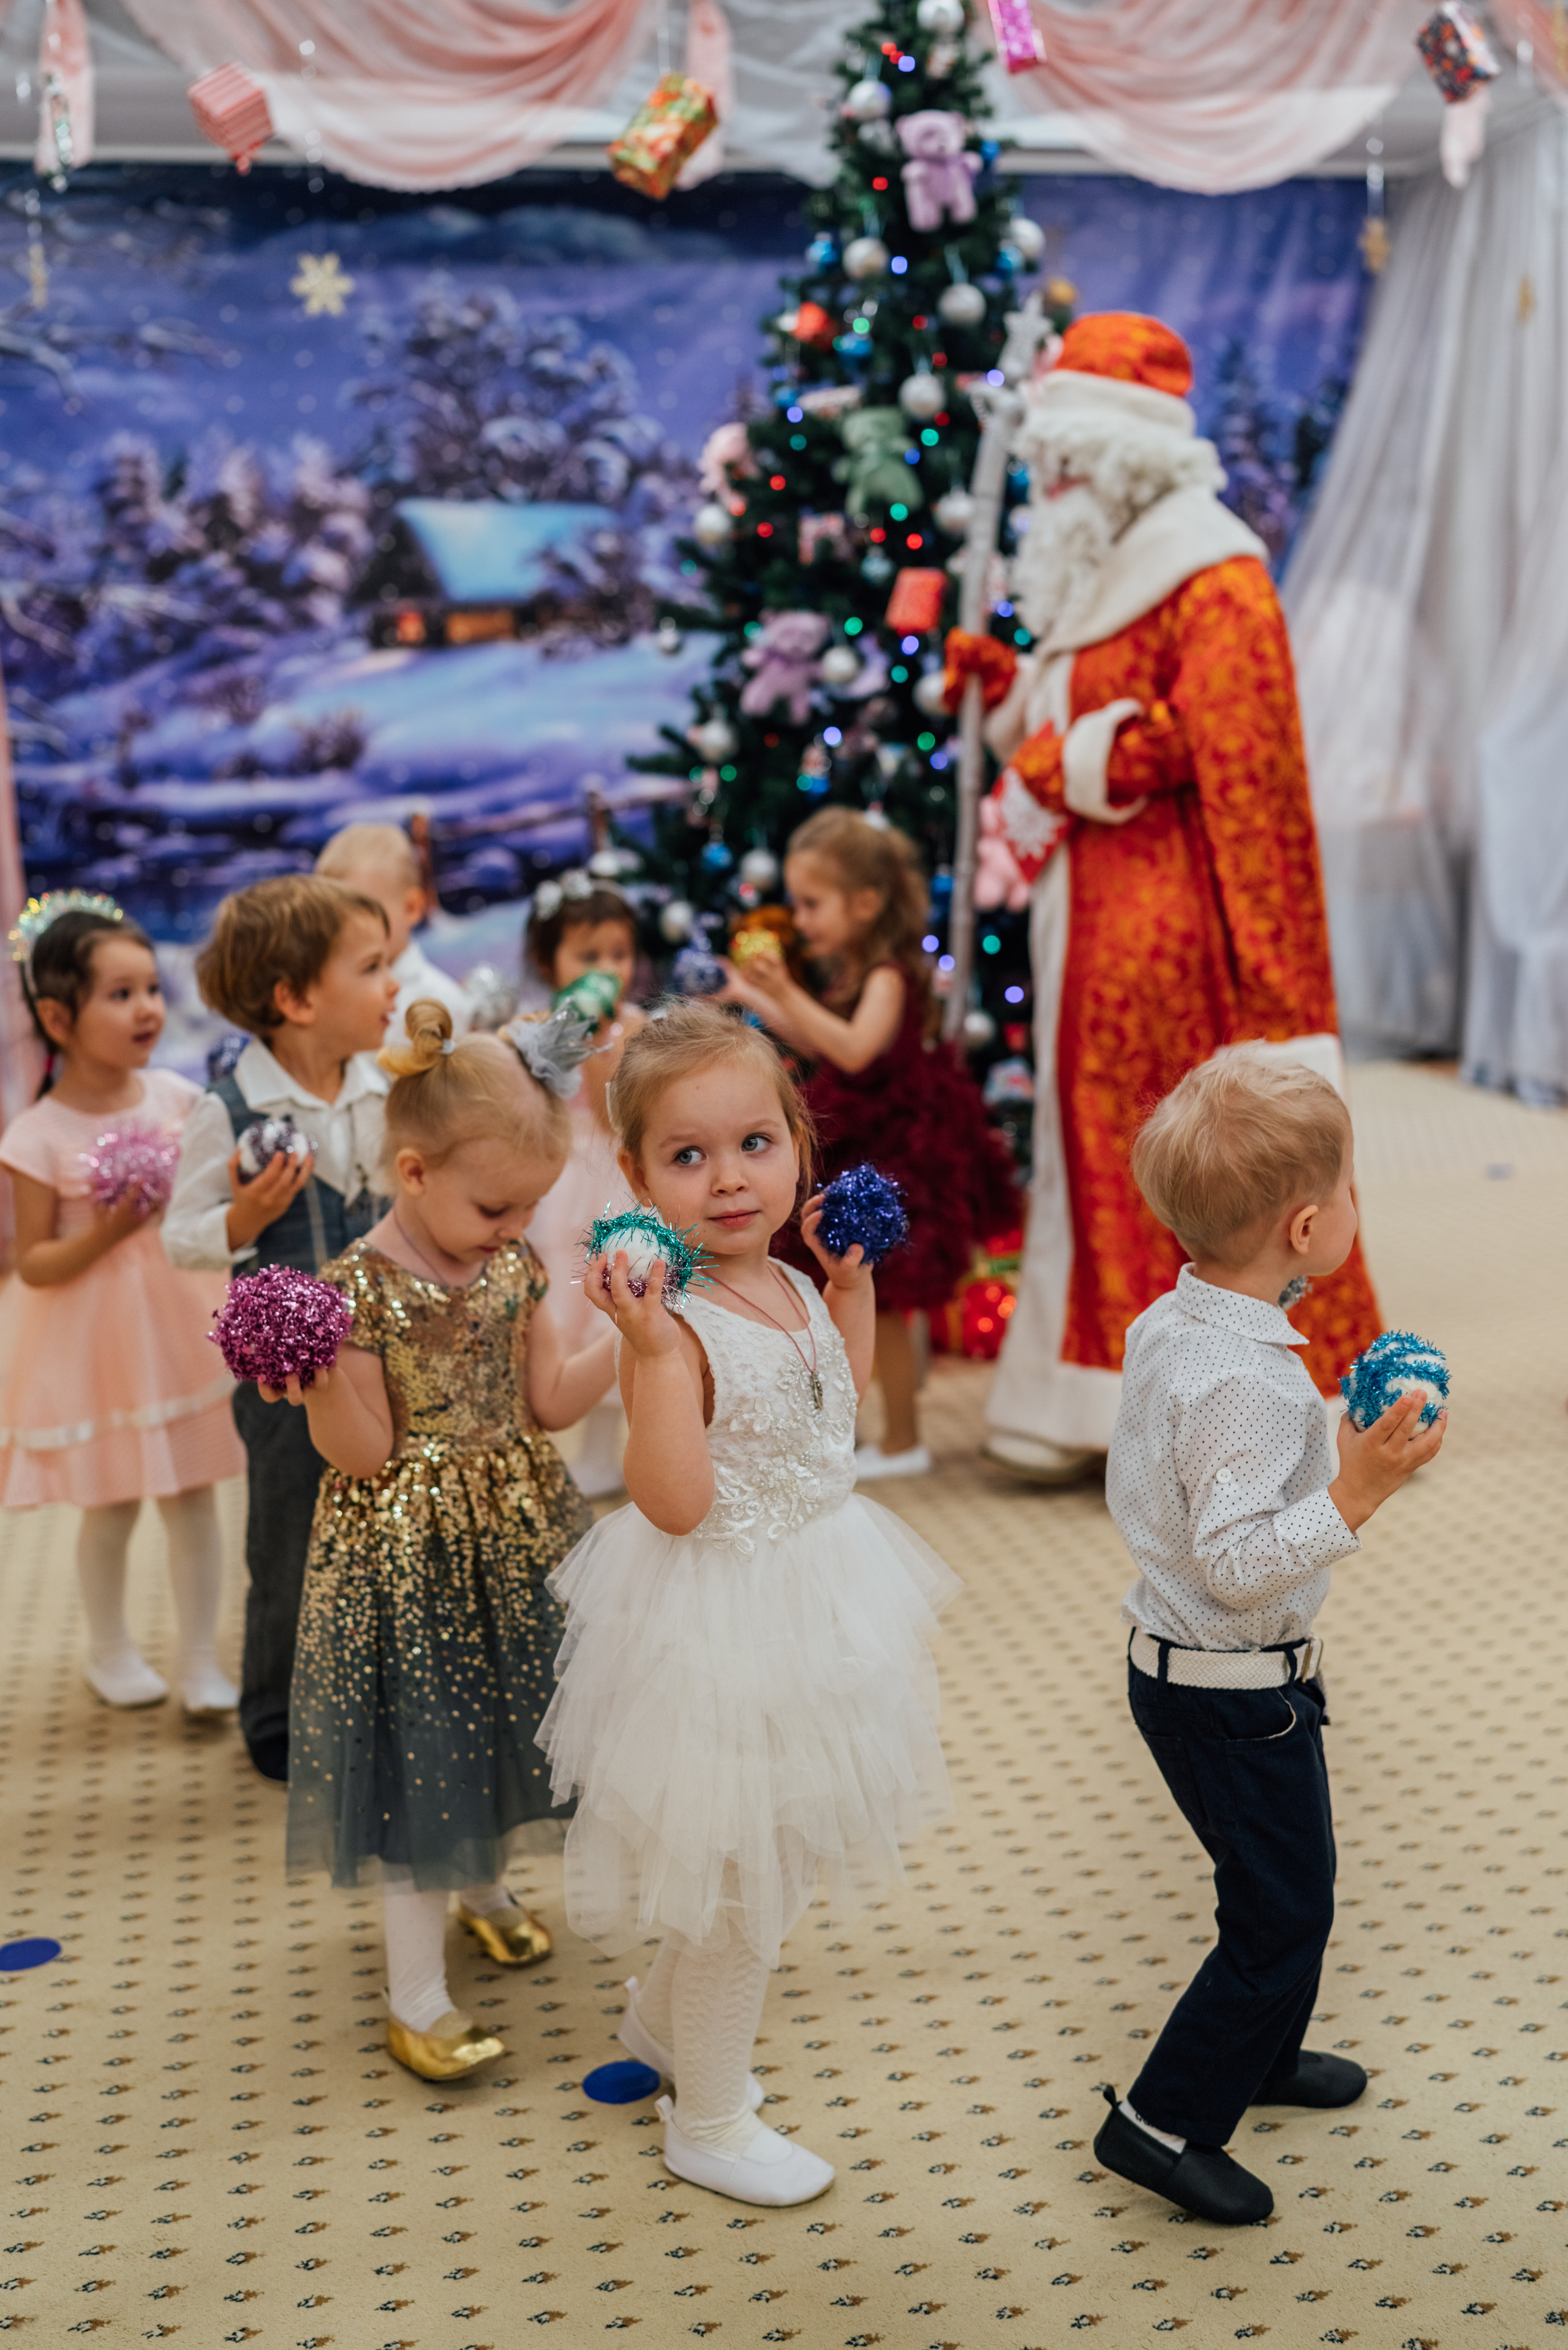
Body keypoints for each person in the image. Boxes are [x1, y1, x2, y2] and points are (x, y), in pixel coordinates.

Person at [943, 310, 1381, 1487]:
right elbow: (1082, 716)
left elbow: (1228, 742)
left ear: (1119, 457)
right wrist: (1014, 695)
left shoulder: (1213, 573)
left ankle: (1224, 1405)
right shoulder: (1110, 567)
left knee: (1180, 1157)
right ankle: (1100, 1393)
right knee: (1102, 1152)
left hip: (1174, 928)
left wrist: (1072, 758)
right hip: (1094, 913)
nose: (1048, 484)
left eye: (1064, 460)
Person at [539, 1000, 960, 2207]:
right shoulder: (672, 1324)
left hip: (820, 1591)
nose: (728, 1178)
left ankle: (661, 2024)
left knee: (780, 1847)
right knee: (742, 1881)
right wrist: (648, 1357)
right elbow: (673, 1502)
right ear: (635, 1181)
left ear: (799, 1145)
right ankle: (711, 2119)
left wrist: (850, 1287)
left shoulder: (787, 1276)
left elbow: (836, 1393)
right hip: (726, 1619)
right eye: (688, 1155)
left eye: (755, 1144)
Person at [1095, 1050, 1445, 2224]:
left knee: (1293, 1884)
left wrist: (1320, 1438)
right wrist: (1356, 1489)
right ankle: (1162, 2121)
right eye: (1348, 1192)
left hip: (1211, 1677)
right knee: (1281, 1912)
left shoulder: (1180, 1319)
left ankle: (1264, 2053)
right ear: (1304, 1226)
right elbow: (1239, 1565)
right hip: (1231, 1692)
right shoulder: (1244, 1381)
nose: (1353, 1208)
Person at [265, 999, 615, 2083]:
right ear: (413, 1174)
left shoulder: (514, 1264)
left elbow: (549, 1401)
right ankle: (415, 1997)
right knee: (423, 1758)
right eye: (496, 1205)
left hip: (515, 1530)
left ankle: (484, 1885)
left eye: (532, 1205)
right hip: (406, 1553)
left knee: (507, 1721)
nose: (515, 1225)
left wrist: (632, 1332)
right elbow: (364, 1452)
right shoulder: (358, 1288)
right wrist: (321, 1382)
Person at [164, 875, 397, 1783]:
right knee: (290, 1533)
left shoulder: (386, 1087)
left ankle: (382, 1690)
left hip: (385, 1354)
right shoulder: (229, 1109)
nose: (393, 985)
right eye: (371, 968)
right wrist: (245, 1215)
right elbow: (183, 1235)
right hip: (285, 1379)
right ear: (297, 999)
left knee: (388, 1521)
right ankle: (275, 1709)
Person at [0, 893, 243, 1714]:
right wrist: (109, 1232)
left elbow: (206, 1199)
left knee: (194, 1493)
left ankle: (201, 1659)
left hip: (177, 1324)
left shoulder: (174, 1097)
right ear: (57, 1018)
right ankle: (108, 1649)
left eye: (150, 989)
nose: (146, 1008)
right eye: (120, 994)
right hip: (95, 1342)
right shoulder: (36, 1135)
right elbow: (34, 1264)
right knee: (110, 1504)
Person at [722, 808, 1016, 1481]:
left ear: (865, 902)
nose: (799, 919)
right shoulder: (852, 971)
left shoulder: (887, 973)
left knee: (890, 1298)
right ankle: (858, 1427)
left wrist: (784, 987)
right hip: (864, 1136)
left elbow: (854, 1051)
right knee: (851, 1289)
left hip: (899, 1144)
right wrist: (751, 995)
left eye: (812, 903)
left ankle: (904, 1438)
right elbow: (818, 1040)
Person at [522, 872, 647, 1497]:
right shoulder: (536, 1027)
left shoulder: (634, 1028)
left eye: (619, 955)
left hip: (612, 1176)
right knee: (556, 1307)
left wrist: (599, 1038)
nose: (608, 970)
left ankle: (605, 1453)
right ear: (550, 963)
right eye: (589, 956)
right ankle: (552, 1448)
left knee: (611, 1306)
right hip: (557, 1180)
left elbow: (609, 1113)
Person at [316, 821, 475, 1038]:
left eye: (362, 913)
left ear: (411, 908)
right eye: (332, 916)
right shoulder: (329, 991)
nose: (344, 930)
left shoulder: (441, 1001)